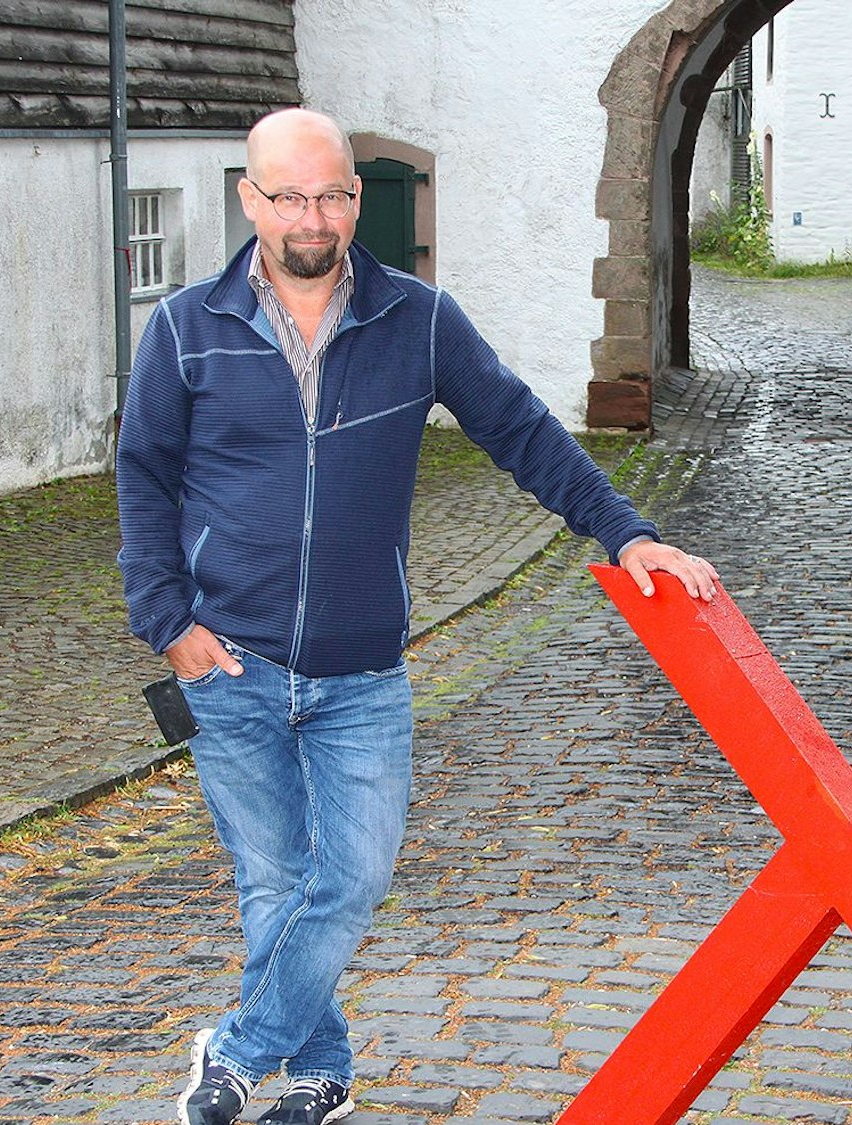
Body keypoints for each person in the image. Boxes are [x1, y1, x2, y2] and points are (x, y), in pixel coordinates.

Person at [116, 107, 719, 1125]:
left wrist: (625, 533)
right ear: (248, 198)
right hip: (230, 666)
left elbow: (522, 431)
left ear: (355, 198)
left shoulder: (416, 320)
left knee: (346, 882)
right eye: (290, 194)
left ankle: (238, 1045)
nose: (314, 215)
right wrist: (167, 621)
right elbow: (142, 479)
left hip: (361, 673)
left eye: (334, 194)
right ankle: (321, 1072)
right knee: (271, 886)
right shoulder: (183, 328)